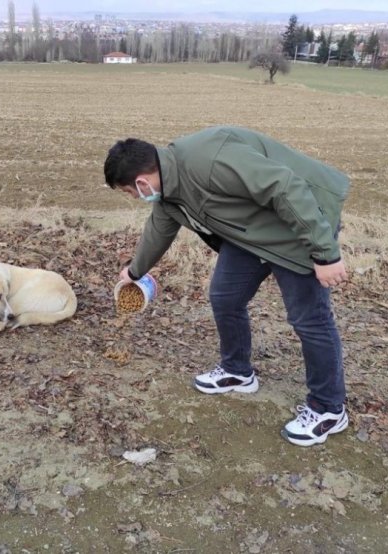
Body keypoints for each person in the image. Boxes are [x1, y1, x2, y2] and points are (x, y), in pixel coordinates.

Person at [104, 126, 350, 447]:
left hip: (300, 222)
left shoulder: (210, 159)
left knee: (309, 320)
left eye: (129, 192)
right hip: (252, 233)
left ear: (141, 181)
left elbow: (285, 187)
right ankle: (237, 370)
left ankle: (329, 408)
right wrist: (134, 272)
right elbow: (158, 232)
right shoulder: (168, 195)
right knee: (225, 297)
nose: (135, 198)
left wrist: (325, 252)